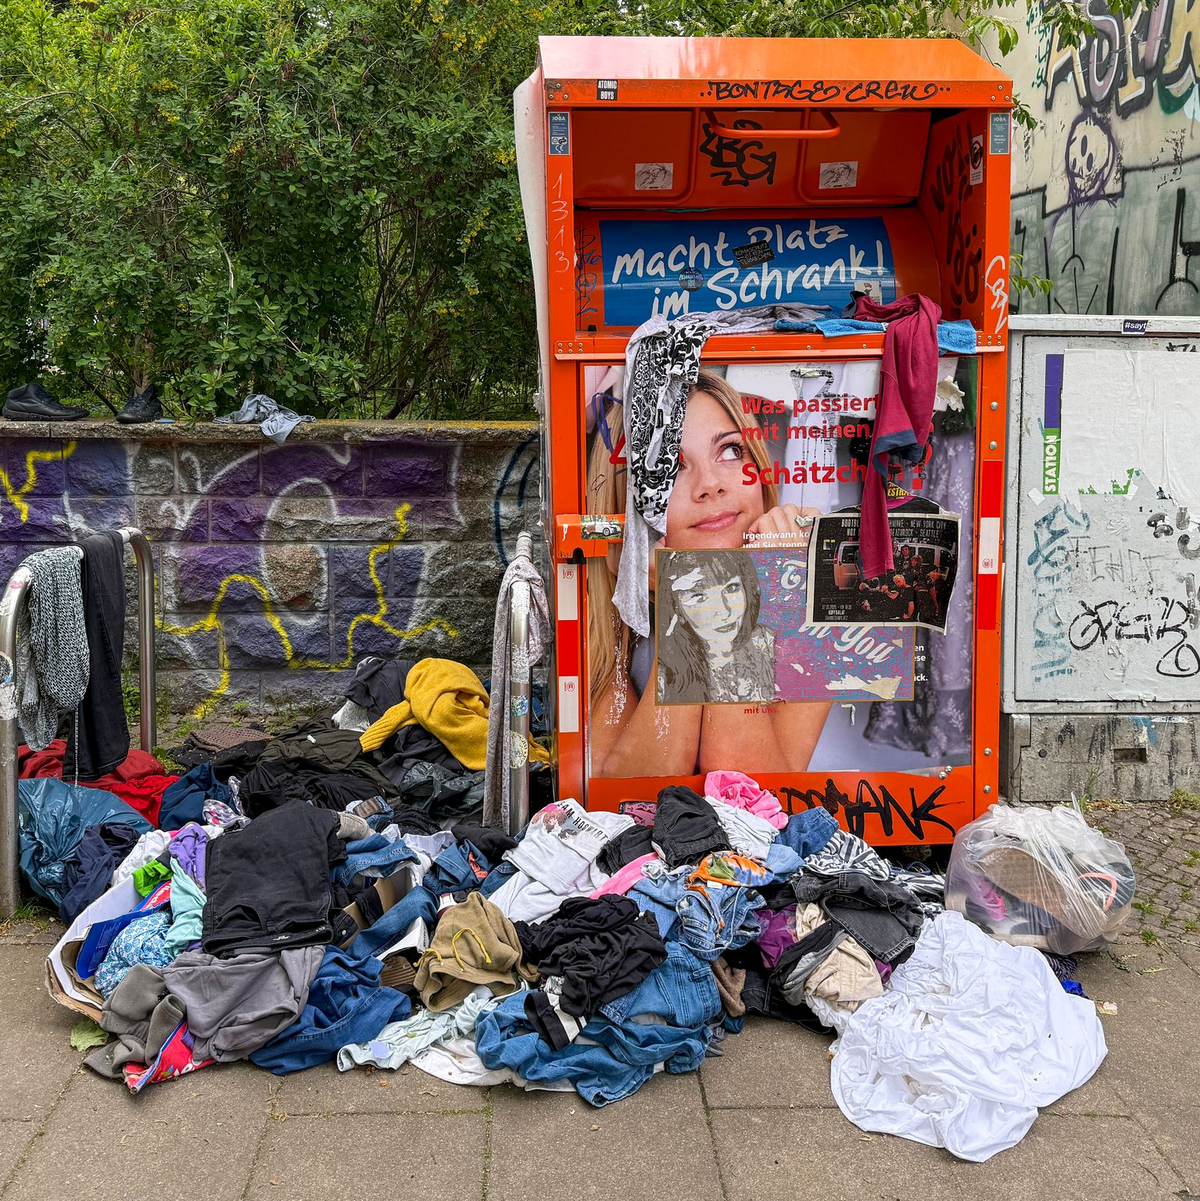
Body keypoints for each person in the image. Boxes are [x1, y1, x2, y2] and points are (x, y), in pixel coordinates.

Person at [587, 369, 829, 778]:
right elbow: (631, 793)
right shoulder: (601, 605)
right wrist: (682, 597)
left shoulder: (808, 585)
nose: (710, 486)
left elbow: (758, 793)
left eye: (731, 451)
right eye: (671, 467)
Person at [656, 550, 775, 705]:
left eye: (731, 588)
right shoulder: (664, 675)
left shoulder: (767, 642)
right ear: (677, 609)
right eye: (699, 597)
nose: (724, 612)